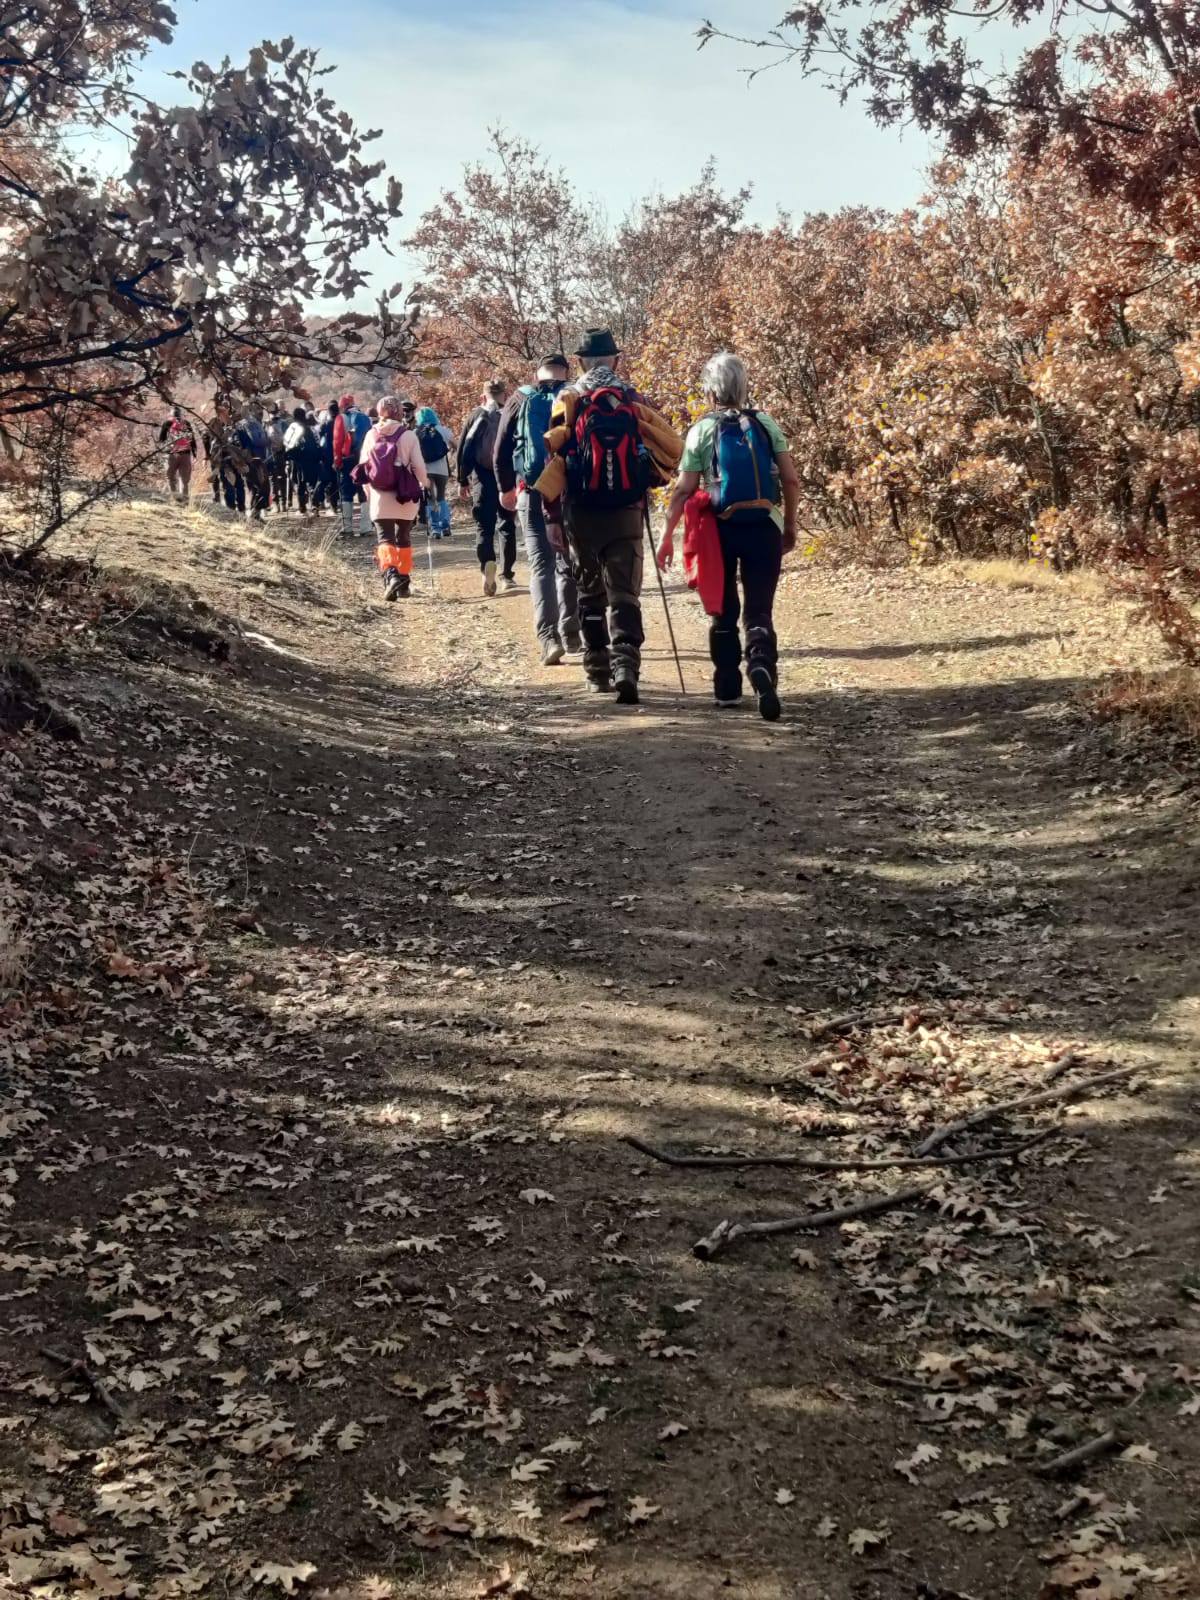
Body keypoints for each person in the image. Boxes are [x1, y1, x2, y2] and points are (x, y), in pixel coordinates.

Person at [535, 329, 681, 704]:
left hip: (580, 511)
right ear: (615, 360)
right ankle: (627, 665)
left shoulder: (568, 399)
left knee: (589, 592)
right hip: (627, 512)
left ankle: (597, 669)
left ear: (582, 361)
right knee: (625, 591)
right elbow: (667, 449)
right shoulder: (633, 399)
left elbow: (554, 460)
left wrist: (551, 516)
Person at [658, 352, 800, 722]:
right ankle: (761, 666)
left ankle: (726, 689)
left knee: (722, 611)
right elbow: (791, 479)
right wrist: (789, 525)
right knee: (759, 609)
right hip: (765, 524)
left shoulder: (702, 430)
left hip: (718, 528)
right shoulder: (766, 423)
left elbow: (683, 490)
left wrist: (666, 535)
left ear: (709, 391)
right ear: (743, 385)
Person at [496, 354, 581, 666]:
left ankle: (548, 639)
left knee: (541, 565)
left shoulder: (521, 398)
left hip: (530, 490)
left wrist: (506, 486)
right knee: (567, 561)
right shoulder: (575, 395)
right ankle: (572, 633)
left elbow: (501, 447)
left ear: (538, 373)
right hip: (568, 491)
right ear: (566, 371)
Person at [355, 395, 429, 602]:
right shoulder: (408, 436)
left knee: (385, 538)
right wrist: (425, 485)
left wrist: (369, 493)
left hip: (380, 496)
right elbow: (419, 467)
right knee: (403, 537)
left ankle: (391, 575)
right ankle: (404, 582)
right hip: (405, 495)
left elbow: (364, 467)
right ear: (399, 412)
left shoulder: (371, 435)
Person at [457, 379, 517, 596]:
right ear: (504, 394)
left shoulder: (476, 415)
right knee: (507, 525)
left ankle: (487, 565)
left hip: (482, 478)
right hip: (508, 478)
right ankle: (507, 575)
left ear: (483, 395)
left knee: (484, 526)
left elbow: (464, 448)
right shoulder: (511, 414)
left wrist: (462, 479)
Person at [415, 406, 455, 539]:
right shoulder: (442, 430)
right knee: (441, 497)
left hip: (425, 470)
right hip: (442, 469)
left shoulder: (416, 432)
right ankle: (445, 525)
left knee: (430, 499)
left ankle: (435, 528)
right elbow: (456, 445)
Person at [336, 394, 372, 535]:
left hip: (347, 459)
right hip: (363, 459)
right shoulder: (365, 418)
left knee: (346, 493)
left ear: (343, 406)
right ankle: (365, 527)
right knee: (363, 492)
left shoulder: (342, 418)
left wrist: (337, 461)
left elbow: (337, 442)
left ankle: (348, 528)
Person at [232, 405, 270, 522]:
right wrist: (266, 439)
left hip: (249, 459)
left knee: (254, 487)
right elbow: (257, 440)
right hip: (254, 459)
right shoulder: (250, 424)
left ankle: (255, 515)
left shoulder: (239, 425)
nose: (260, 412)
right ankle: (254, 514)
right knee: (262, 487)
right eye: (258, 410)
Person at [284, 406, 322, 516]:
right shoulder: (311, 428)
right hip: (313, 459)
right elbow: (317, 442)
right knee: (312, 483)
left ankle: (302, 508)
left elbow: (288, 445)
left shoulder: (294, 428)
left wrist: (288, 458)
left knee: (300, 483)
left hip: (299, 460)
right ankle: (315, 507)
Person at [159, 406, 197, 503]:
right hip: (186, 454)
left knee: (171, 477)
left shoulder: (167, 423)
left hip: (173, 454)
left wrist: (163, 451)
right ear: (180, 414)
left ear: (171, 414)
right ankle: (185, 501)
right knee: (184, 480)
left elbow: (161, 439)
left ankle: (175, 498)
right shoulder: (186, 423)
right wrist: (194, 454)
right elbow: (192, 441)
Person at [264, 405, 288, 512]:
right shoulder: (283, 423)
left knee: (272, 480)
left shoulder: (266, 424)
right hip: (281, 454)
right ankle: (283, 504)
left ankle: (276, 504)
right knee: (282, 478)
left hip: (270, 455)